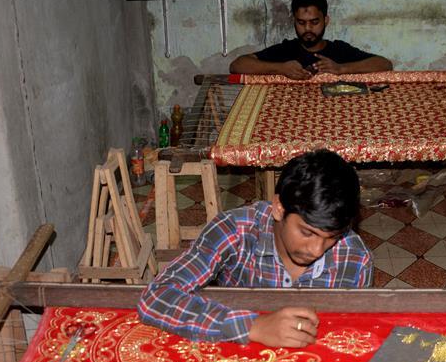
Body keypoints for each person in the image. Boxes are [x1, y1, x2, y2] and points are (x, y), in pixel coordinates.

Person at [138, 149, 372, 349]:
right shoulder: (235, 231)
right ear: (279, 208)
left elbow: (354, 331)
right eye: (307, 232)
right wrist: (253, 327)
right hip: (237, 361)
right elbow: (157, 296)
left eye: (330, 237)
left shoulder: (354, 257)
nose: (317, 250)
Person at [229, 0, 392, 80]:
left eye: (314, 22)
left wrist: (341, 68)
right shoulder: (286, 50)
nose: (307, 29)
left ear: (326, 20)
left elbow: (384, 64)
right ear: (294, 21)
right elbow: (237, 65)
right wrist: (281, 68)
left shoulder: (339, 50)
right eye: (301, 22)